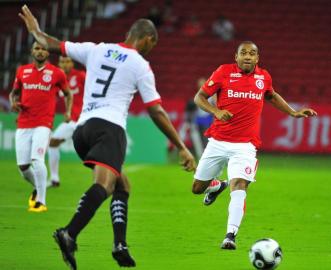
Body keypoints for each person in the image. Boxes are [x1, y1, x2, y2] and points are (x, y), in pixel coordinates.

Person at [19, 5, 195, 269]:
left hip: (83, 131)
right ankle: (69, 232)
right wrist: (181, 146)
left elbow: (51, 44)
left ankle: (120, 245)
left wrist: (35, 30)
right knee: (104, 185)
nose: (151, 49)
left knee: (122, 185)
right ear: (148, 39)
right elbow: (156, 110)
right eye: (152, 45)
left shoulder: (96, 49)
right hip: (109, 128)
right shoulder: (141, 65)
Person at [191, 41, 317, 249]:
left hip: (245, 145)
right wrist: (216, 111)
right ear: (236, 56)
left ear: (257, 58)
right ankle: (216, 185)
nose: (247, 56)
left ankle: (230, 235)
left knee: (239, 185)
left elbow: (271, 96)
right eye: (243, 53)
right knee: (197, 188)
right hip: (218, 141)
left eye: (252, 53)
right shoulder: (223, 72)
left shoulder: (264, 77)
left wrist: (293, 112)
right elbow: (199, 97)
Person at [9, 41, 72, 213]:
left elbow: (68, 94)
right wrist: (13, 103)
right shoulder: (22, 71)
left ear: (48, 53)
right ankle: (38, 187)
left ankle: (41, 201)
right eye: (37, 48)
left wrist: (67, 112)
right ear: (31, 51)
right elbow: (14, 93)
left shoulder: (57, 73)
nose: (40, 51)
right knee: (23, 167)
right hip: (23, 123)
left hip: (43, 123)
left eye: (44, 49)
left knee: (37, 160)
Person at [48, 56, 86, 187]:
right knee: (53, 143)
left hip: (84, 119)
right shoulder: (58, 80)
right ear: (58, 63)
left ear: (72, 63)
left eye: (67, 61)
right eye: (62, 62)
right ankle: (54, 178)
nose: (65, 64)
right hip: (72, 120)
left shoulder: (81, 76)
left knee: (94, 151)